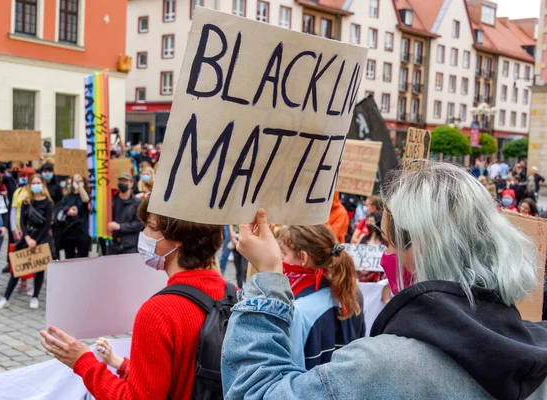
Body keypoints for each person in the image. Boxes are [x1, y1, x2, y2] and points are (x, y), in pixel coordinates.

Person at [222, 163, 547, 399]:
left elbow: (254, 392)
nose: (384, 257)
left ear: (419, 248)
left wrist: (267, 277)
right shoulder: (534, 350)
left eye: (389, 243)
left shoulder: (383, 366)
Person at [39, 193, 230, 400]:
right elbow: (174, 379)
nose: (144, 233)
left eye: (152, 227)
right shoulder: (233, 293)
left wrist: (83, 361)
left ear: (178, 241)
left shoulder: (158, 313)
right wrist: (120, 364)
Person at [278, 225, 365, 370]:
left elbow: (291, 373)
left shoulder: (298, 309)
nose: (281, 259)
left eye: (284, 253)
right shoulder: (353, 293)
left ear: (304, 258)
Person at [0, 174, 55, 310]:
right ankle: (5, 298)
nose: (36, 186)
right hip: (27, 236)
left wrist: (36, 241)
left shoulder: (48, 203)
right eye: (33, 183)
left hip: (41, 237)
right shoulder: (26, 201)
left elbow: (47, 225)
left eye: (38, 183)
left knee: (39, 269)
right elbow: (22, 221)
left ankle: (35, 297)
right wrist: (27, 238)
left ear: (43, 185)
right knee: (17, 268)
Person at [107, 173, 143, 255]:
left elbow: (139, 224)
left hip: (130, 245)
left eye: (125, 181)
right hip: (113, 243)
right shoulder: (112, 201)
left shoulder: (137, 203)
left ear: (131, 184)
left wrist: (120, 227)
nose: (123, 183)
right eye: (121, 181)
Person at [58, 174, 91, 259]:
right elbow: (60, 208)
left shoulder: (85, 195)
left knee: (83, 259)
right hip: (69, 233)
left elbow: (86, 200)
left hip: (82, 232)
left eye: (80, 181)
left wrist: (79, 186)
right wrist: (68, 210)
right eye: (76, 181)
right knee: (69, 258)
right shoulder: (67, 197)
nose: (78, 182)